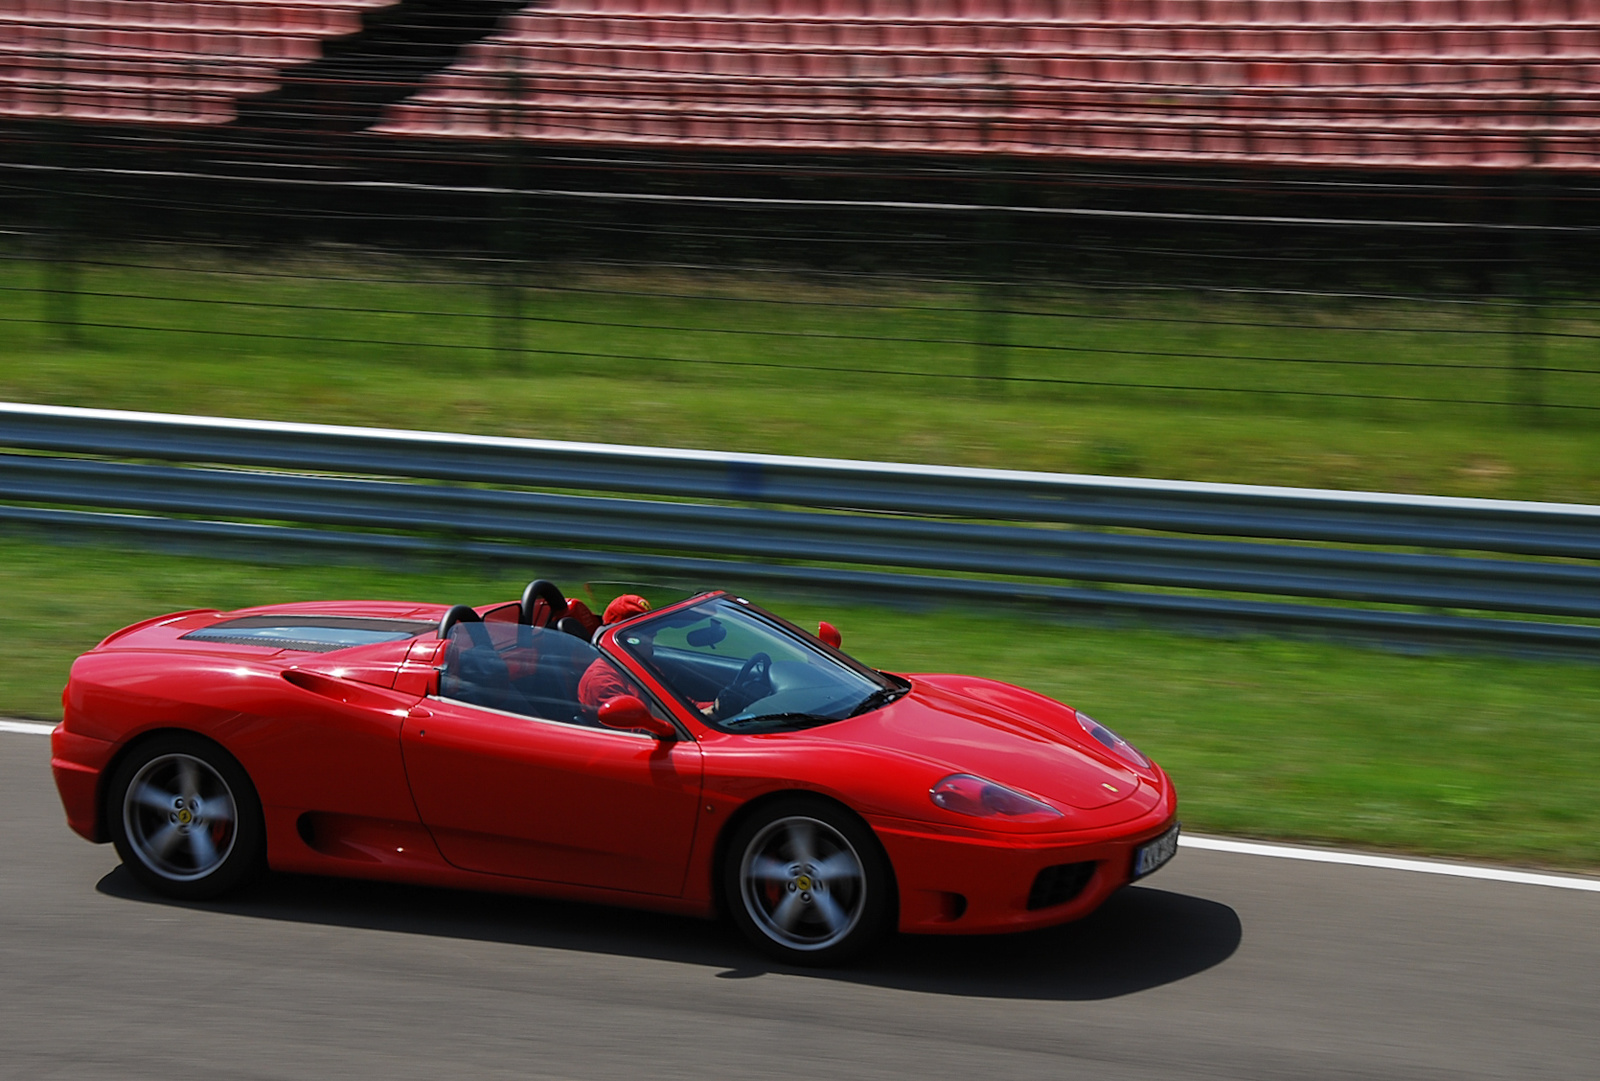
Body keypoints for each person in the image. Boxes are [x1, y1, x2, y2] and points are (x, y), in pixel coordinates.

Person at [576, 594, 652, 713]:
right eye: (642, 632)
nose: (652, 637)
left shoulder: (639, 664)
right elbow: (635, 728)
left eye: (650, 630)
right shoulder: (602, 681)